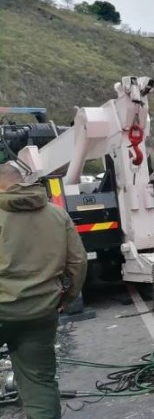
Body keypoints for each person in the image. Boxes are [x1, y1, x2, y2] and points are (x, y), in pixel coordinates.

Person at [0, 163, 87, 419]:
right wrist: (66, 297)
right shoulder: (57, 214)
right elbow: (78, 262)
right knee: (40, 383)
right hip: (41, 312)